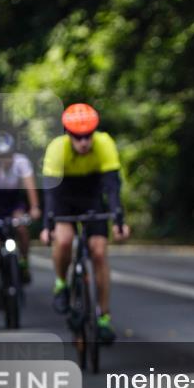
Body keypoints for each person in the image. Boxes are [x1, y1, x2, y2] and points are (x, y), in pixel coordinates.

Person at [40, 103, 130, 344]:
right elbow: (50, 194)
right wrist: (47, 226)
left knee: (99, 253)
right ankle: (61, 284)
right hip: (64, 196)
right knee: (65, 240)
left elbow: (112, 187)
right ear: (68, 134)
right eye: (78, 137)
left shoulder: (104, 144)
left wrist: (118, 220)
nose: (84, 142)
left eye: (88, 136)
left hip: (91, 196)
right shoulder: (57, 149)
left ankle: (103, 318)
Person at [0, 133, 41, 311]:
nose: (5, 160)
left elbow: (30, 187)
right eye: (1, 156)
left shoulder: (22, 162)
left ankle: (24, 263)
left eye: (8, 155)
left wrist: (34, 207)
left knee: (22, 229)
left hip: (13, 206)